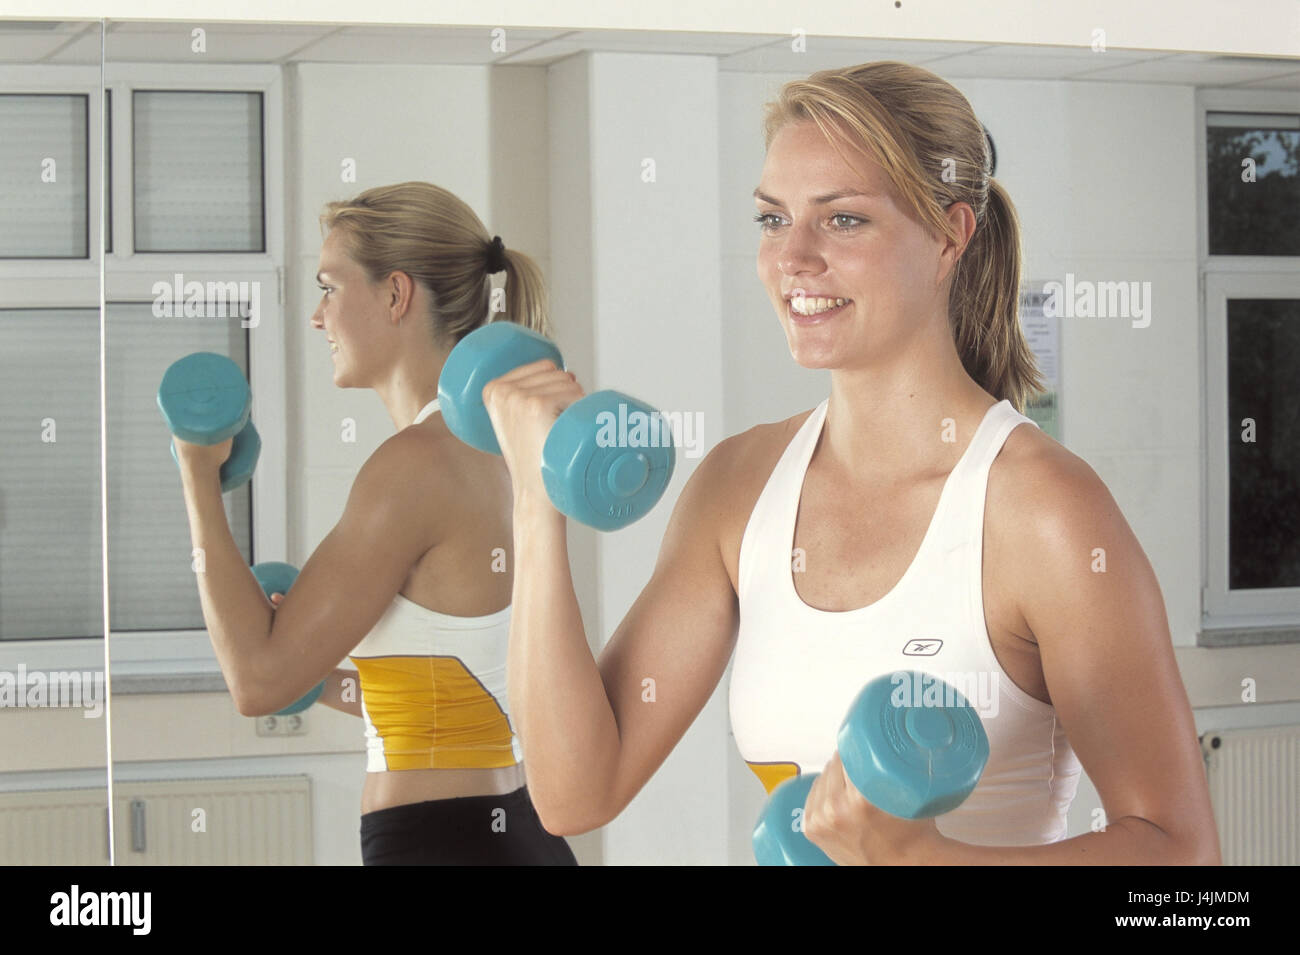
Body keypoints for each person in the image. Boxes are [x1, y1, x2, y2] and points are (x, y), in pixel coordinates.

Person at [481, 62, 1221, 864]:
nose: (793, 257)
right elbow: (573, 791)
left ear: (950, 236)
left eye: (842, 222)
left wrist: (921, 858)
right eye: (772, 220)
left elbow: (1185, 867)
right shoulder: (739, 487)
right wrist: (534, 497)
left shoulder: (1041, 511)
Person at [171, 181, 577, 866]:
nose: (317, 317)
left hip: (443, 844)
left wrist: (196, 472)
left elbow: (257, 682)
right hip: (517, 830)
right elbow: (465, 696)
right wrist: (324, 673)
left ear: (396, 295)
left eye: (330, 287)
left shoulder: (413, 466)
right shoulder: (497, 449)